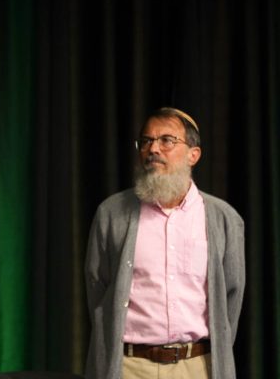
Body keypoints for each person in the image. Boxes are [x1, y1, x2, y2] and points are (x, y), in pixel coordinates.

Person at [84, 107, 245, 379]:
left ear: (194, 155)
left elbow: (231, 296)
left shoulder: (224, 218)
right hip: (129, 368)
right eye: (146, 141)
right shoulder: (111, 213)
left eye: (167, 140)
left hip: (198, 367)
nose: (153, 149)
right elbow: (97, 289)